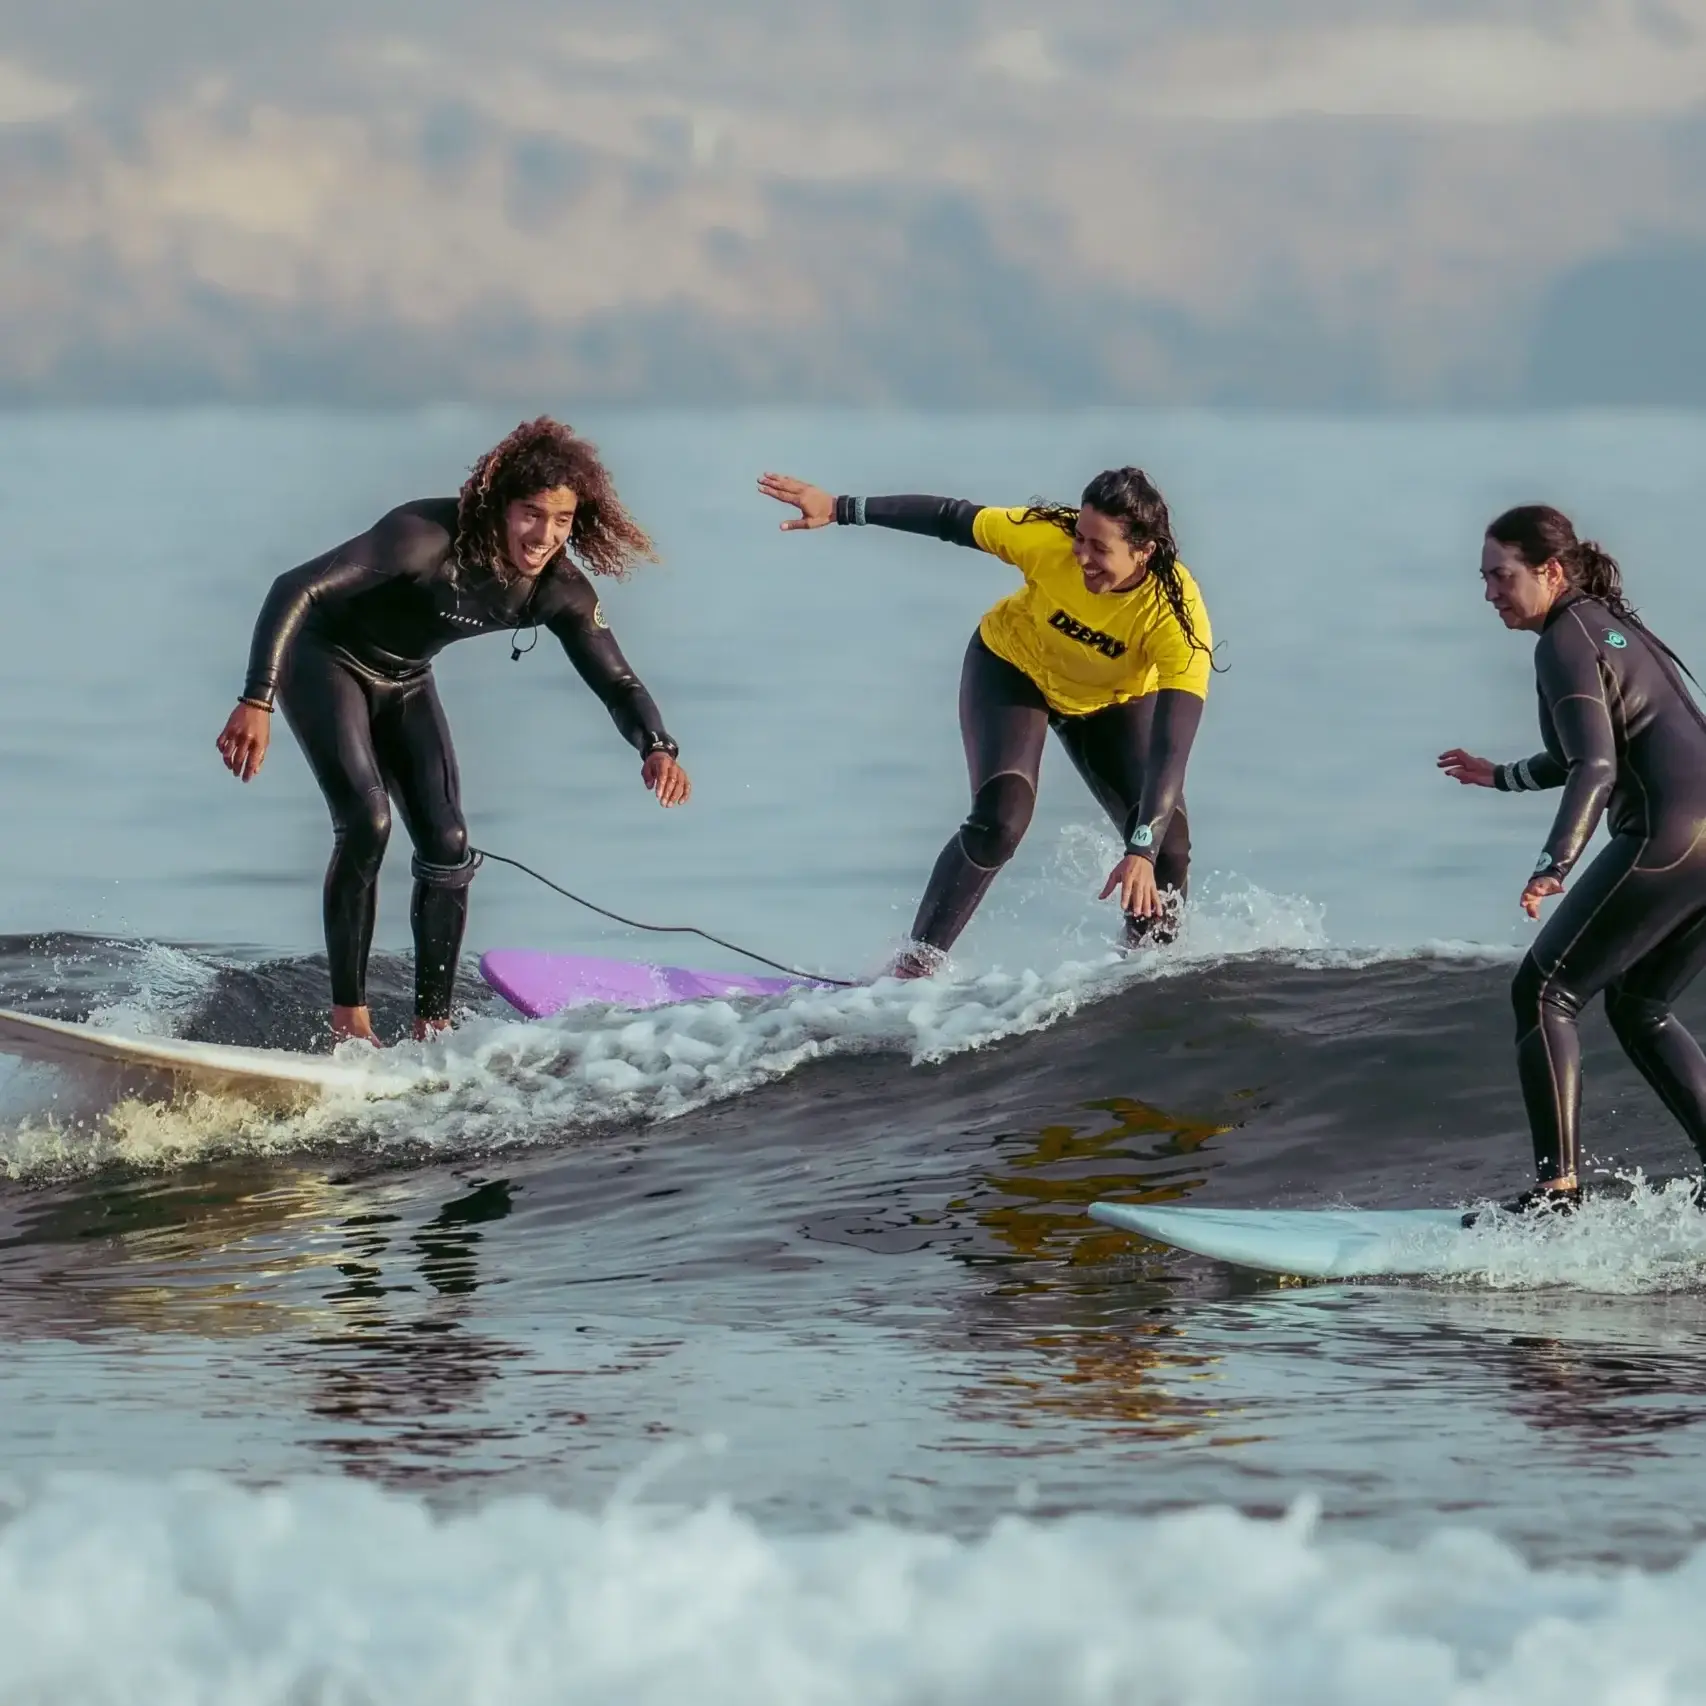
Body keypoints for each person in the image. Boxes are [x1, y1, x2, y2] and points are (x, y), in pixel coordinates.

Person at [216, 417, 691, 1044]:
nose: (544, 535)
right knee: (367, 821)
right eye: (530, 514)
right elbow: (296, 588)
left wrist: (656, 747)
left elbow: (621, 684)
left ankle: (431, 1026)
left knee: (448, 842)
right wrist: (258, 698)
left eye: (562, 521)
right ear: (498, 506)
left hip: (406, 677)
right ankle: (348, 1019)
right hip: (323, 658)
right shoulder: (421, 539)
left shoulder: (559, 590)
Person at [758, 467, 1214, 973]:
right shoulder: (1047, 537)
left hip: (1107, 704)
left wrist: (1142, 851)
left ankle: (1147, 970)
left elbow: (1172, 745)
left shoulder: (1176, 615)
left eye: (1100, 548)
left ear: (1143, 551)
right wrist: (841, 507)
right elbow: (951, 518)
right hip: (1013, 668)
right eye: (1081, 538)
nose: (1082, 555)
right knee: (1001, 818)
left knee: (1165, 846)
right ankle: (915, 967)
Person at [1439, 505, 1706, 1213]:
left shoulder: (1562, 640)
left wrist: (1553, 863)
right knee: (1640, 1003)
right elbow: (1577, 755)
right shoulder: (1604, 627)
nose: (1490, 593)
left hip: (1667, 833)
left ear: (1549, 571)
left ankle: (1558, 1195)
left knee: (1543, 990)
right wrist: (1497, 775)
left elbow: (1595, 768)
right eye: (1485, 578)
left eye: (1502, 576)